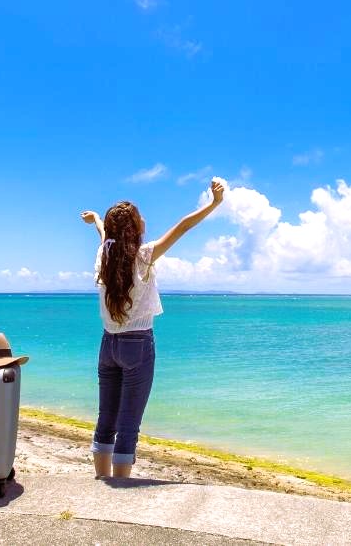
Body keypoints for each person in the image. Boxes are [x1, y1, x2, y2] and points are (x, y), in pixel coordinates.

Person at [79, 180, 225, 478]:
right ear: (134, 228)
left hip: (108, 346)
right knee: (129, 423)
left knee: (106, 418)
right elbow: (183, 227)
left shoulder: (104, 257)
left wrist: (96, 219)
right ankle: (119, 486)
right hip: (138, 346)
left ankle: (101, 481)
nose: (144, 219)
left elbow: (105, 235)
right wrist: (214, 204)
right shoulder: (143, 255)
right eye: (140, 217)